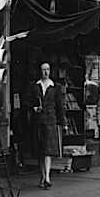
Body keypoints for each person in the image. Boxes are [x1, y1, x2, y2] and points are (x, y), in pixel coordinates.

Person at [26, 61, 64, 189]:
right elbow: (27, 102)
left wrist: (63, 122)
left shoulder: (55, 87)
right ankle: (43, 177)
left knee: (47, 150)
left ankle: (47, 177)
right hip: (38, 122)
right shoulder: (35, 86)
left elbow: (60, 106)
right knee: (40, 151)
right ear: (40, 71)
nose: (46, 72)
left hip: (50, 121)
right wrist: (34, 108)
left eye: (47, 69)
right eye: (43, 70)